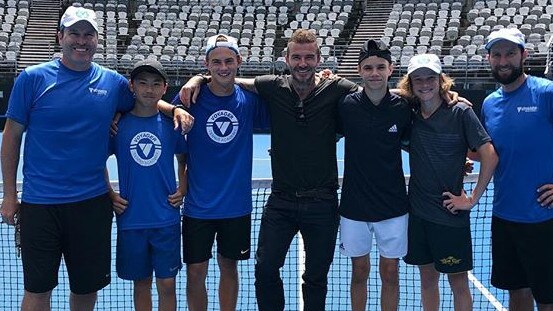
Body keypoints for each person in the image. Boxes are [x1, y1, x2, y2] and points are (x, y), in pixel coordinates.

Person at [0, 6, 192, 310]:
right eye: (74, 33)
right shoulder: (32, 78)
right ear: (60, 36)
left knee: (86, 291)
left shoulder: (113, 83)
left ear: (97, 40)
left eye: (88, 34)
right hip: (40, 204)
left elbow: (148, 100)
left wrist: (175, 108)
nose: (81, 40)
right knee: (37, 292)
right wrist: (10, 195)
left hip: (91, 204)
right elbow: (11, 136)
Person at [179, 29, 359, 311]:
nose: (302, 63)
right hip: (281, 201)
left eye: (309, 57)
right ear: (286, 58)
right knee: (264, 270)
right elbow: (228, 80)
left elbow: (379, 93)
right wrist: (199, 78)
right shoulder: (272, 87)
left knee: (316, 277)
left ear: (319, 59)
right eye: (296, 57)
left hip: (322, 201)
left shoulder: (336, 89)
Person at [172, 34, 269, 311]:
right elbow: (164, 115)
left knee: (230, 269)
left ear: (239, 61)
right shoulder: (191, 97)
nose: (223, 67)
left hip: (236, 206)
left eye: (228, 60)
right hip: (197, 207)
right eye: (216, 62)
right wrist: (196, 80)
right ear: (207, 64)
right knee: (195, 273)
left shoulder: (250, 101)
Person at [397, 54, 498, 311]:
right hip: (418, 214)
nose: (424, 84)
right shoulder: (409, 112)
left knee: (458, 283)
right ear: (410, 83)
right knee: (427, 280)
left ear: (440, 80)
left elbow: (489, 154)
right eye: (417, 79)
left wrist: (472, 199)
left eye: (430, 77)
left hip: (449, 216)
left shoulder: (461, 111)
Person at [106, 59, 187, 311]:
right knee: (141, 284)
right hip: (131, 220)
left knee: (167, 285)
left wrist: (183, 187)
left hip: (166, 220)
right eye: (142, 83)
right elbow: (96, 161)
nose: (148, 90)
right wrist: (110, 193)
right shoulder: (117, 127)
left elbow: (184, 159)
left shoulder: (173, 125)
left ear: (165, 89)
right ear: (131, 86)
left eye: (155, 84)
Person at [481, 28, 553, 311]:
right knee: (517, 294)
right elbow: (490, 152)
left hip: (543, 219)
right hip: (504, 217)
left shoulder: (546, 93)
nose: (503, 61)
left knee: (547, 300)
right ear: (489, 59)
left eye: (510, 53)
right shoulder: (489, 104)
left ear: (523, 55)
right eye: (496, 54)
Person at [337, 39, 411, 311]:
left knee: (390, 272)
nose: (375, 73)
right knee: (359, 271)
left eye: (380, 67)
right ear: (360, 71)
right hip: (354, 205)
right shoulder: (346, 106)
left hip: (393, 205)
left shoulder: (403, 108)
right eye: (368, 68)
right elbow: (319, 137)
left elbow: (421, 143)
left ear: (391, 69)